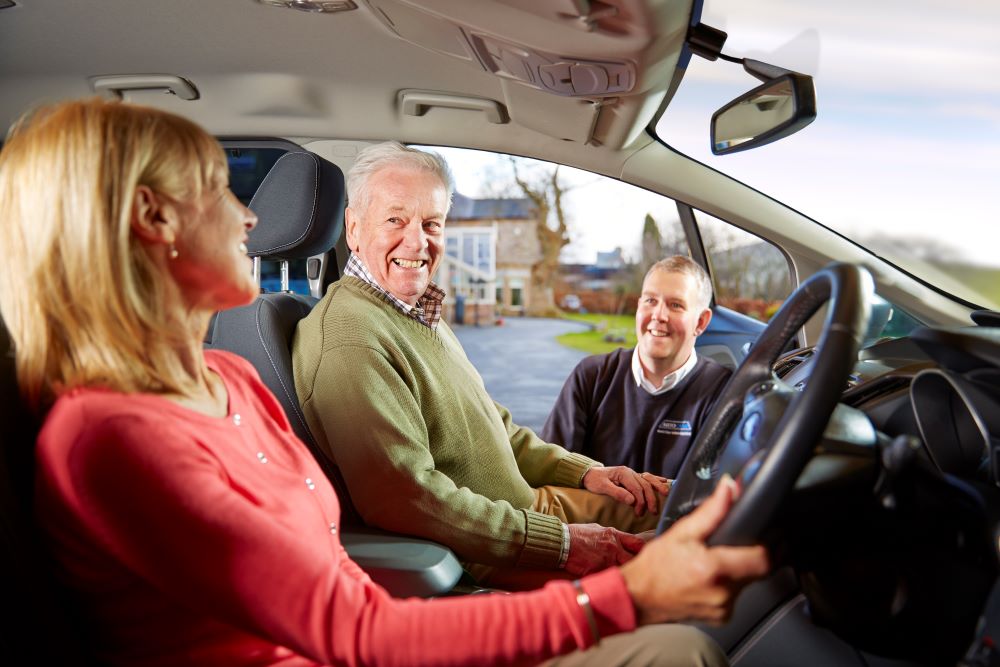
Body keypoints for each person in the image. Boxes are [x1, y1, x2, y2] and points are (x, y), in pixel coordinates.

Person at [0, 98, 770, 667]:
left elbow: (354, 564)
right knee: (676, 650)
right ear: (151, 220)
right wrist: (617, 592)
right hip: (370, 634)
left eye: (432, 222)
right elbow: (358, 620)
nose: (247, 218)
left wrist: (587, 493)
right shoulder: (111, 437)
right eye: (219, 188)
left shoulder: (227, 374)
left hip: (379, 626)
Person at [293, 142, 672, 586]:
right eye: (395, 219)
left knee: (676, 503)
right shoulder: (350, 337)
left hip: (530, 511)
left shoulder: (412, 311)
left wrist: (588, 472)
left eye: (431, 223)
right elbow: (406, 499)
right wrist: (564, 544)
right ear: (354, 229)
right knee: (691, 561)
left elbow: (499, 427)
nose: (417, 241)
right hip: (493, 553)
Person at [543, 257, 732, 480]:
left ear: (701, 322)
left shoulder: (724, 392)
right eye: (651, 301)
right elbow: (552, 470)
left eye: (675, 305)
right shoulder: (591, 377)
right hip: (588, 515)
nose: (659, 315)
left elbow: (715, 493)